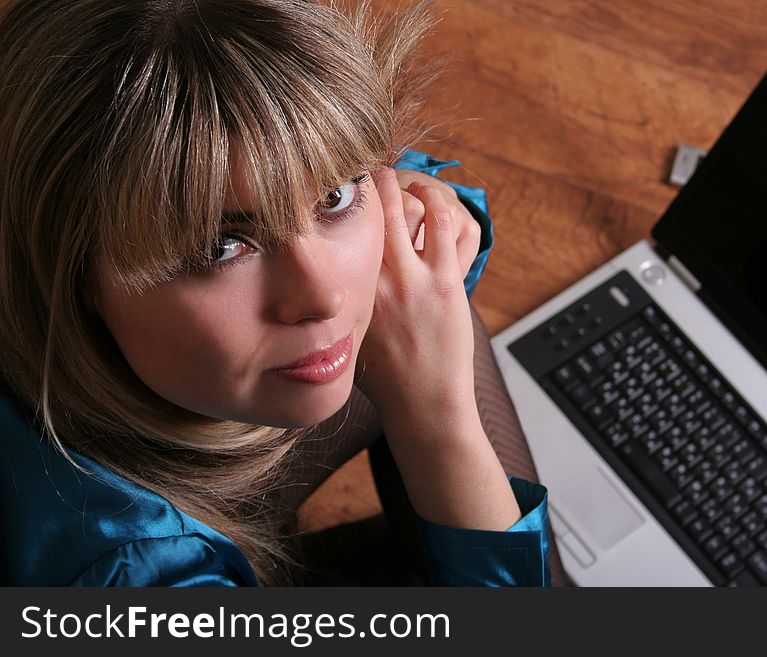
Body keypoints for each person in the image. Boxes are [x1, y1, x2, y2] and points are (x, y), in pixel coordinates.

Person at [0, 0, 561, 586]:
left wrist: (424, 211)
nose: (321, 296)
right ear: (72, 273)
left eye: (333, 196)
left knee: (417, 304)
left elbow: (395, 196)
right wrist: (439, 420)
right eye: (220, 247)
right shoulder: (126, 575)